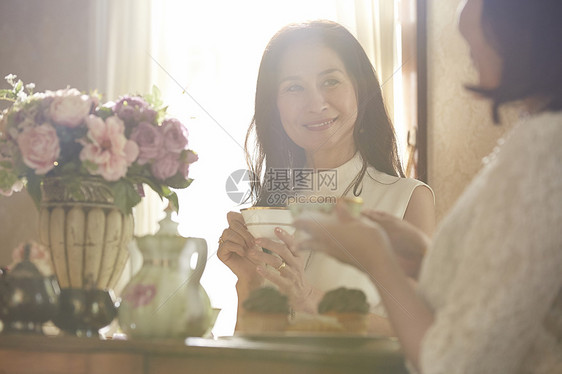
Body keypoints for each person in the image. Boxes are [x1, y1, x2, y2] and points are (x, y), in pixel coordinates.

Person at [295, 0, 562, 372]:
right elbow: (512, 296)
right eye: (293, 88)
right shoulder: (539, 139)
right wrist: (425, 259)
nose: (463, 12)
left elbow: (457, 361)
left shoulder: (543, 149)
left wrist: (376, 258)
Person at [217, 20, 435, 335]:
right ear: (275, 106)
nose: (315, 103)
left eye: (330, 81)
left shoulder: (407, 199)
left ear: (360, 89)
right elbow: (249, 353)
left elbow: (425, 334)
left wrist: (309, 298)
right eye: (293, 87)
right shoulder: (266, 212)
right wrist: (248, 281)